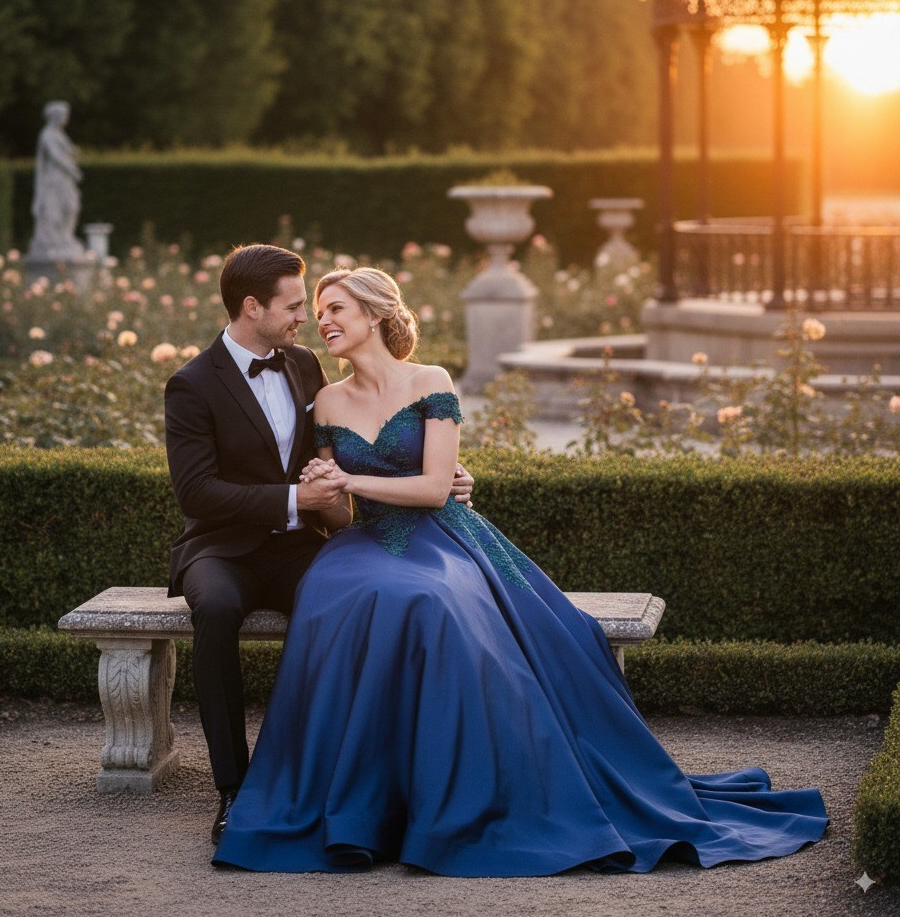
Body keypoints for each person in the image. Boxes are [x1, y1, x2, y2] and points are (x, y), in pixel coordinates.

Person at [212, 266, 828, 876]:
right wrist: (324, 485)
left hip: (442, 537)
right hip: (364, 542)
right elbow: (341, 517)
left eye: (335, 309)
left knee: (431, 602)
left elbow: (434, 490)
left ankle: (451, 796)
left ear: (374, 314)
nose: (322, 321)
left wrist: (349, 477)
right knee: (335, 592)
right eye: (318, 311)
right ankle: (360, 797)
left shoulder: (430, 381)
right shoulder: (327, 399)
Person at [163, 245, 473, 848]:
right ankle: (234, 787)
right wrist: (296, 498)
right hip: (221, 549)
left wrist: (448, 474)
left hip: (300, 544)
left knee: (355, 597)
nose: (306, 317)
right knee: (217, 610)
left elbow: (361, 438)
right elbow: (196, 493)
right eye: (294, 306)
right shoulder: (192, 384)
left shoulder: (304, 365)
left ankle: (347, 772)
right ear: (252, 307)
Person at [29, 101, 85, 261]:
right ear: (56, 116)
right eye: (64, 115)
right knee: (54, 211)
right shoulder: (47, 134)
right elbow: (56, 157)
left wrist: (73, 153)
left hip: (65, 180)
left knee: (72, 207)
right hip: (54, 180)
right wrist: (72, 170)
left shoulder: (59, 134)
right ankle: (53, 240)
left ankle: (65, 237)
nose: (66, 118)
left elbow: (68, 152)